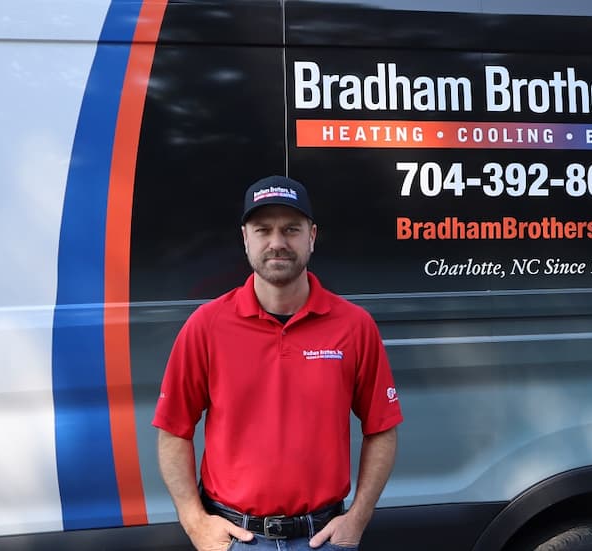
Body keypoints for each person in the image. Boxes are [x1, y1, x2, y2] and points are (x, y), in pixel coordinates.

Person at [153, 175, 404, 551]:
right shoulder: (206, 327)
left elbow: (382, 427)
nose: (277, 243)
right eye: (263, 230)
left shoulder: (354, 326)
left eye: (291, 229)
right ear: (245, 238)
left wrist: (358, 518)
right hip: (237, 540)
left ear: (312, 236)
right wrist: (195, 523)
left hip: (324, 540)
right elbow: (173, 431)